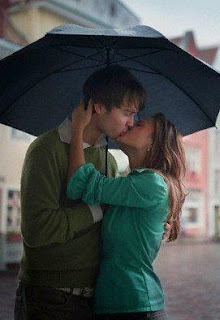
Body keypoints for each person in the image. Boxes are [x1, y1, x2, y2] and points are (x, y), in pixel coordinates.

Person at [14, 65, 148, 320]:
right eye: (127, 112)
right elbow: (37, 230)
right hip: (49, 297)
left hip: (96, 297)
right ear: (99, 106)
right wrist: (98, 209)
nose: (132, 123)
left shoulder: (107, 159)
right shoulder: (46, 149)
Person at [66, 101, 187, 320]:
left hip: (133, 305)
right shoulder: (136, 181)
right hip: (118, 303)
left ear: (153, 143)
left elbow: (80, 185)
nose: (130, 125)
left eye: (140, 125)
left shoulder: (151, 183)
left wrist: (78, 130)